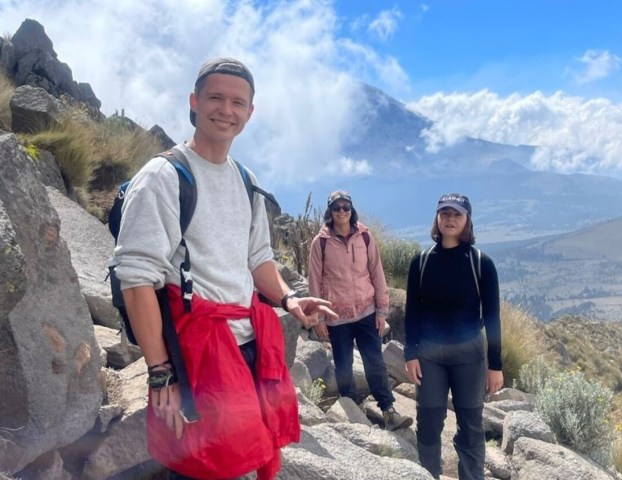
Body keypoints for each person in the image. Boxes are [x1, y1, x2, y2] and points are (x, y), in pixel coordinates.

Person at [113, 58, 337, 480]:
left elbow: (257, 260)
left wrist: (288, 299)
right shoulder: (162, 177)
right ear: (194, 102)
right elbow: (136, 277)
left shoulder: (244, 178)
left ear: (250, 113)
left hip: (248, 344)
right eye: (216, 98)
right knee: (202, 463)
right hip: (196, 351)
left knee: (245, 453)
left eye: (238, 102)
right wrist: (162, 373)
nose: (226, 110)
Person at [403, 193, 504, 480]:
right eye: (444, 213)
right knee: (429, 421)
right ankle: (428, 475)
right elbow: (412, 312)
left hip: (470, 355)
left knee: (471, 424)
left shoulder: (481, 263)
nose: (450, 219)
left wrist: (495, 365)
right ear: (437, 218)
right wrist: (410, 353)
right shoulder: (420, 262)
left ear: (467, 220)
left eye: (457, 214)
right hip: (429, 354)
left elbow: (493, 317)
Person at [308, 190, 413, 431]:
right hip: (336, 317)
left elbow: (377, 272)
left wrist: (381, 310)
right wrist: (318, 317)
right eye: (337, 208)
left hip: (367, 311)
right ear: (330, 212)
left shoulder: (365, 236)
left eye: (346, 207)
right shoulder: (320, 243)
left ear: (351, 209)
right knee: (343, 366)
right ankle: (354, 415)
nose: (342, 211)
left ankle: (388, 411)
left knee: (375, 362)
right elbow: (314, 281)